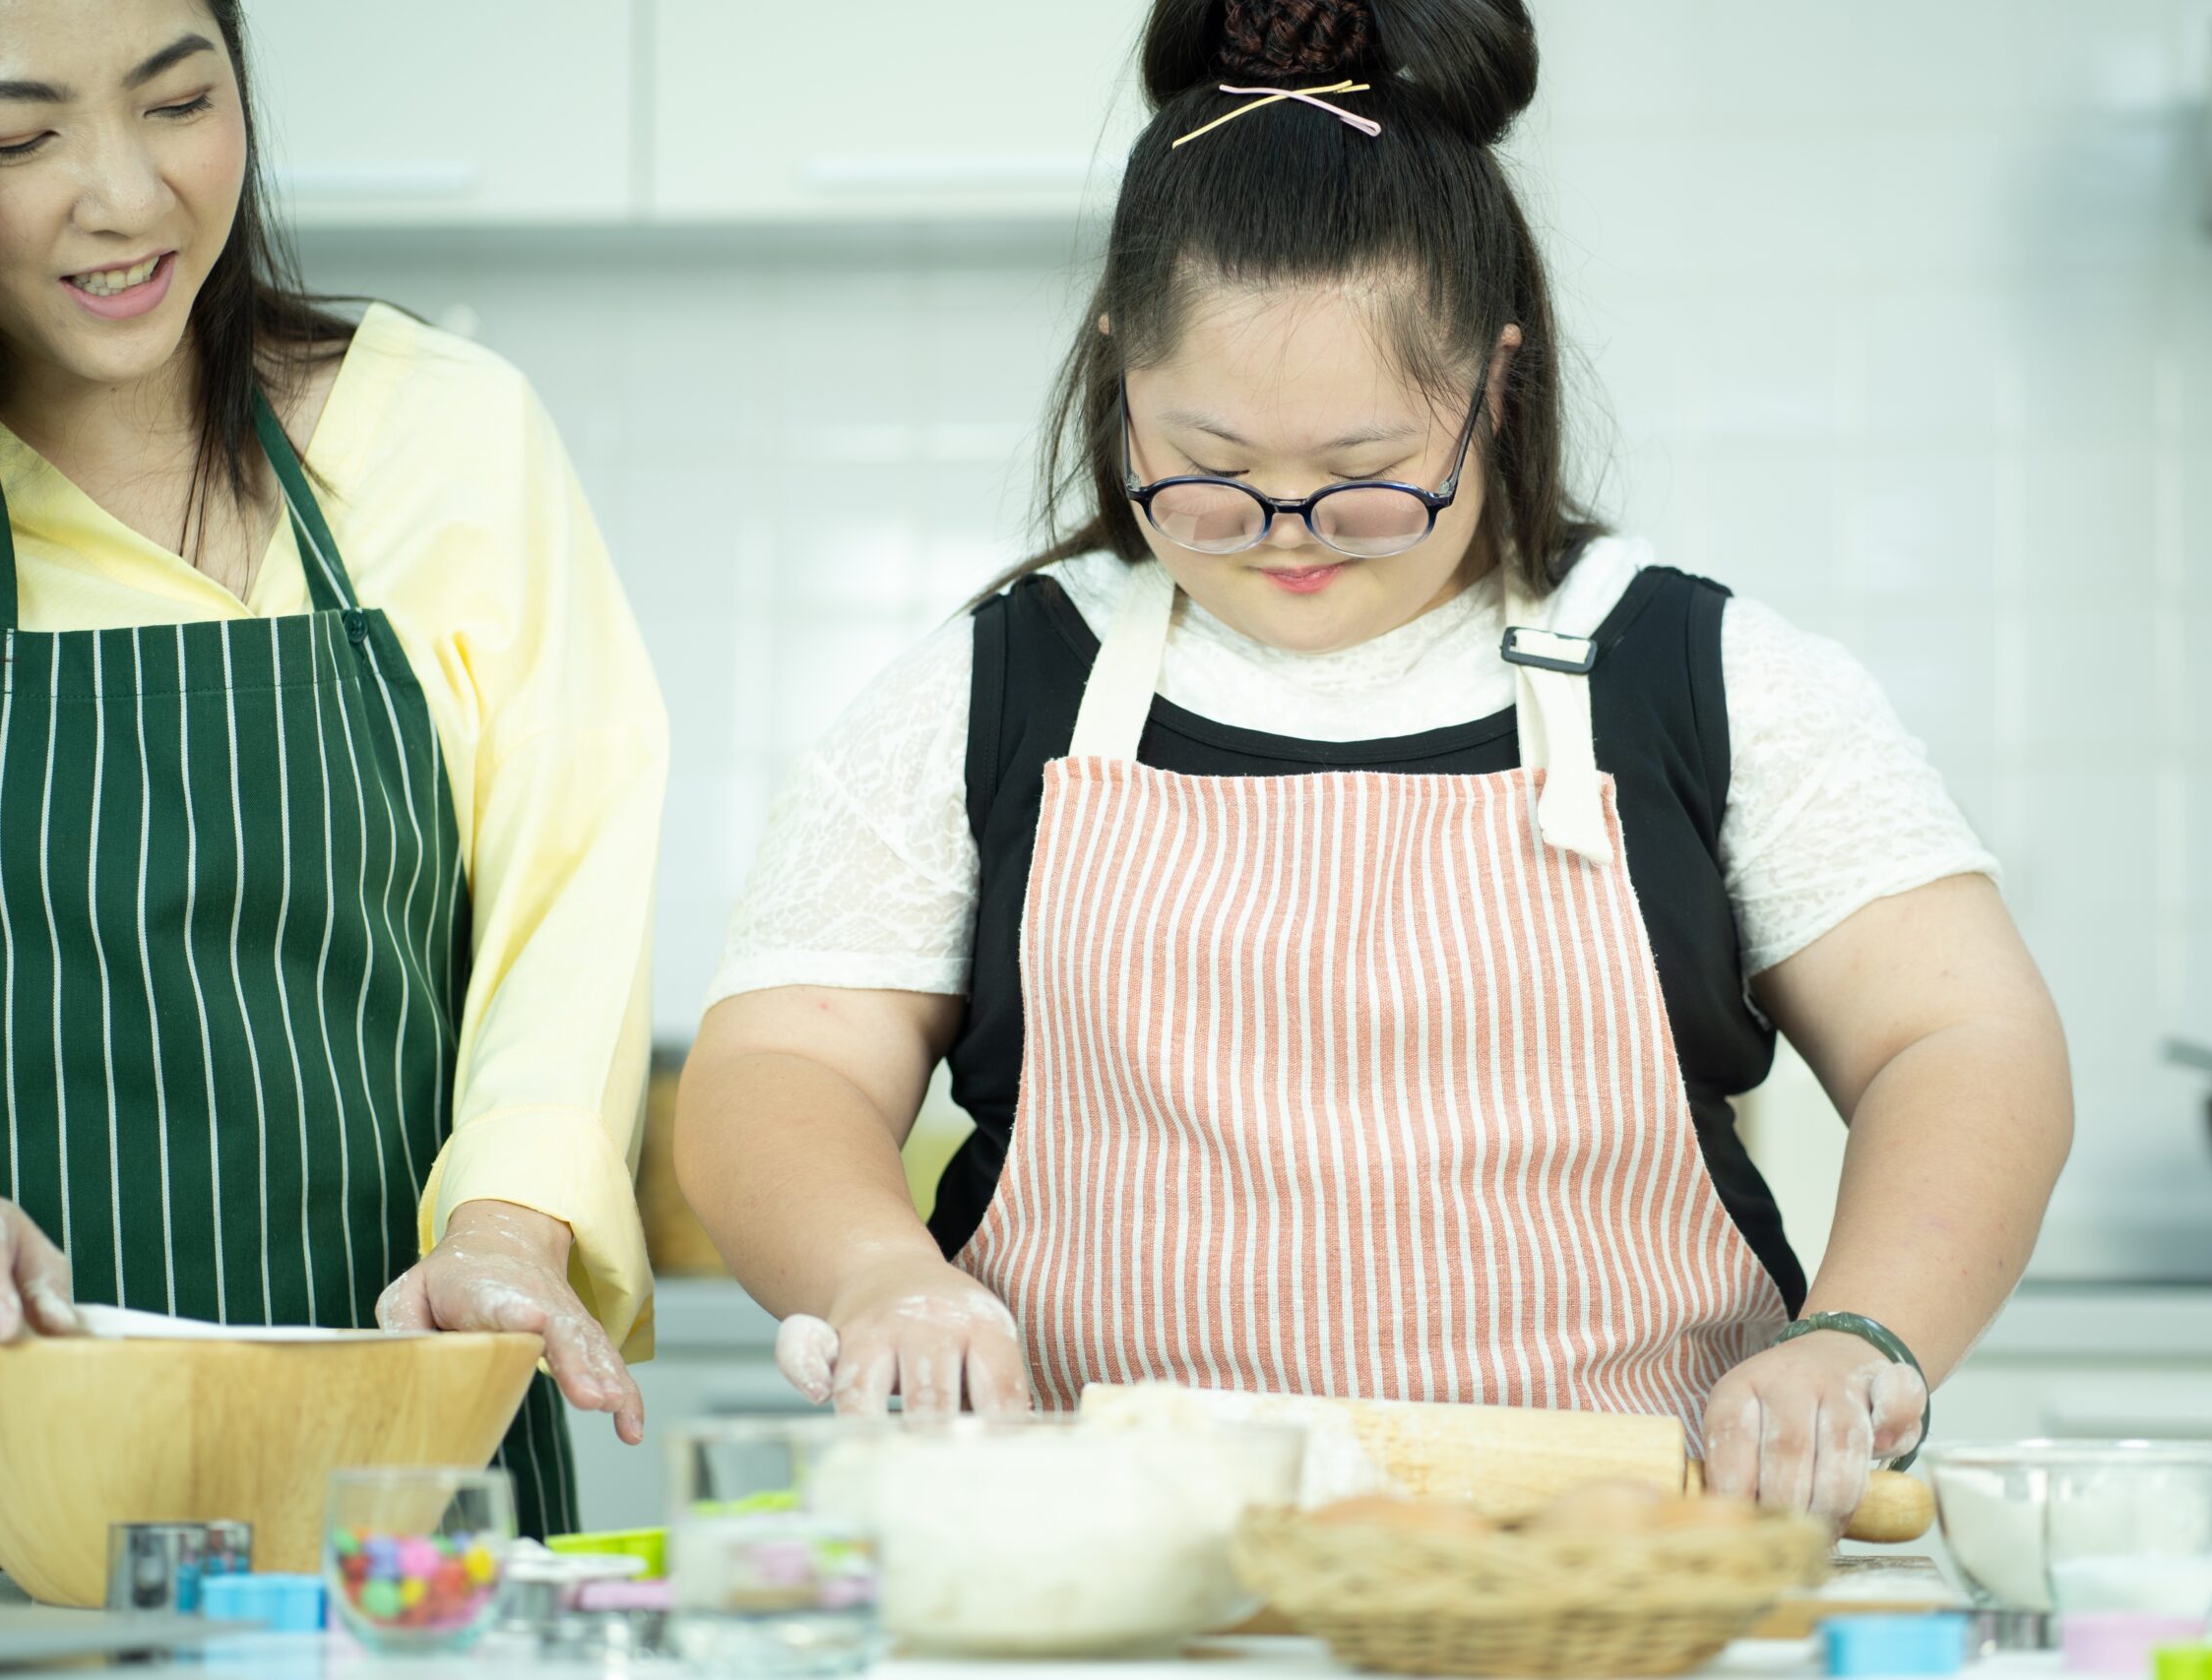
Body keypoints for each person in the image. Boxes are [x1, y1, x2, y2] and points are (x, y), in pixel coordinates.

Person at [678, 0, 2072, 1525]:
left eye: (1365, 483)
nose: (1287, 541)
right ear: (1114, 371)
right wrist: (881, 1274)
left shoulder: (1704, 679)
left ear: (1498, 381)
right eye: (1205, 475)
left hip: (1623, 1576)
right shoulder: (990, 688)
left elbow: (1959, 1044)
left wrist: (1859, 1336)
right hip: (1107, 1574)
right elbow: (783, 1068)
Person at [0, 0, 665, 1563]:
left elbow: (573, 887)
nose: (125, 197)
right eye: (17, 137)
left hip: (411, 1450)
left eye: (180, 103)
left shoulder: (445, 433)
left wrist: (509, 1226)